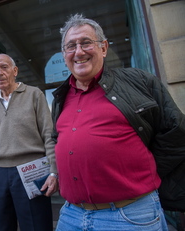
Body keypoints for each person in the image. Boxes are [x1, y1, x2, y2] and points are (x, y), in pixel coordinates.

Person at [52, 13, 185, 231]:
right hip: (71, 215)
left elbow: (176, 131)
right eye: (71, 46)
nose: (78, 52)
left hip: (129, 215)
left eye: (86, 43)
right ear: (64, 54)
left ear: (103, 48)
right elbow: (57, 139)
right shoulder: (61, 97)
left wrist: (143, 172)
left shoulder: (138, 81)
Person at [0, 53, 58, 231]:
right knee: (2, 225)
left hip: (32, 169)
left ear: (15, 71)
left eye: (4, 67)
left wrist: (54, 171)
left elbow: (48, 134)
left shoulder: (34, 94)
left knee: (37, 225)